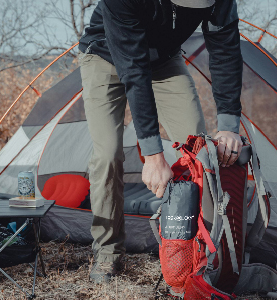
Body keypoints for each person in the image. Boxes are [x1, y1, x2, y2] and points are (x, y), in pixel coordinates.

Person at [77, 0, 244, 282]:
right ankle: (107, 253)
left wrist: (229, 125)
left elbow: (225, 50)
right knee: (108, 154)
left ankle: (199, 251)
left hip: (164, 60)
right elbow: (133, 69)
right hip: (106, 57)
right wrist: (153, 156)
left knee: (197, 151)